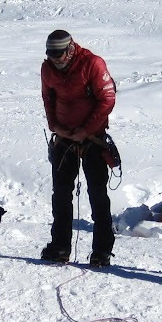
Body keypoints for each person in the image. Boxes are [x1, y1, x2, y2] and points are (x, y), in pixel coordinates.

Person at [38, 29, 117, 267]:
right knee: (61, 195)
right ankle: (60, 246)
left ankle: (101, 251)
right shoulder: (47, 69)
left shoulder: (92, 64)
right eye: (51, 55)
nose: (55, 60)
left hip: (93, 139)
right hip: (64, 139)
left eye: (58, 55)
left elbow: (107, 99)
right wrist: (55, 126)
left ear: (70, 49)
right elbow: (47, 98)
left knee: (98, 195)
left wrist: (86, 130)